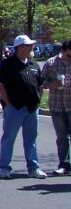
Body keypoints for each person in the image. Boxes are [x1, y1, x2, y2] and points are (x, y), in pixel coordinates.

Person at [0, 34, 46, 179]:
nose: (31, 47)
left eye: (31, 45)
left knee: (31, 139)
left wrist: (38, 101)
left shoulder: (33, 64)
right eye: (29, 45)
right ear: (20, 47)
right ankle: (4, 168)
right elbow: (0, 84)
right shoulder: (8, 64)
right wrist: (8, 102)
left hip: (32, 108)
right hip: (14, 108)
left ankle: (33, 168)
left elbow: (41, 85)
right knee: (9, 138)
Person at [40, 40, 71, 176]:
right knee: (62, 137)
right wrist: (52, 84)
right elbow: (41, 82)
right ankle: (64, 165)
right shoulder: (51, 63)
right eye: (69, 56)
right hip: (57, 105)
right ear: (63, 51)